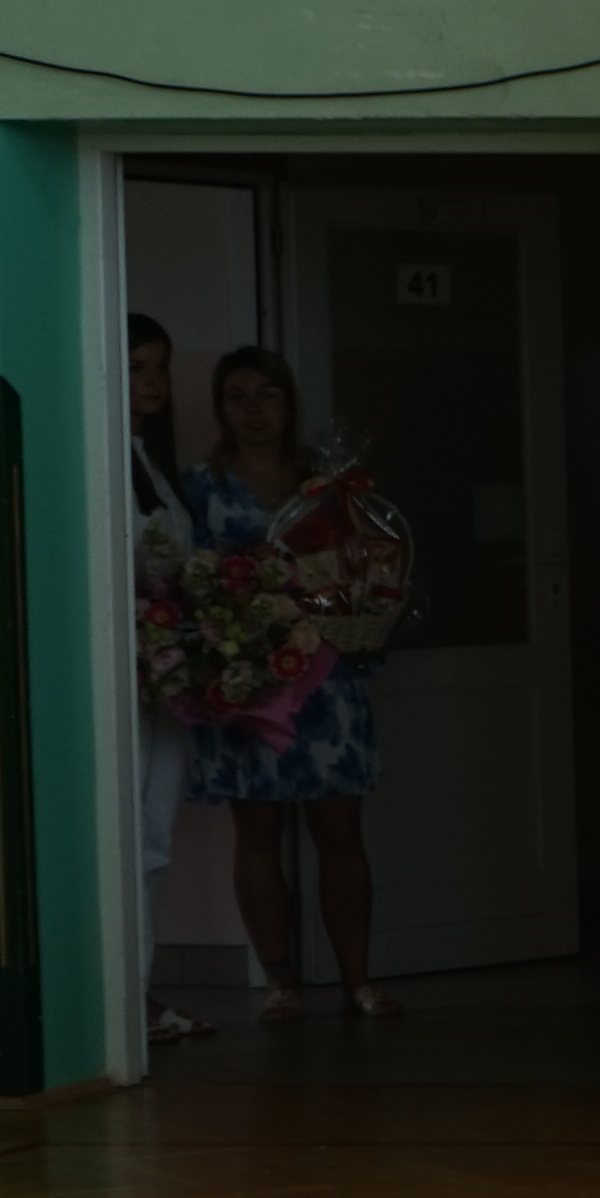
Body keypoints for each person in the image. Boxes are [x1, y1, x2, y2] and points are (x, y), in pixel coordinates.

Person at [174, 346, 411, 1020]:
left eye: (267, 393)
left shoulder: (329, 484)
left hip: (328, 685)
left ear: (290, 403)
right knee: (258, 834)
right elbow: (185, 579)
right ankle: (280, 984)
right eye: (237, 396)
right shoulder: (200, 487)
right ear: (221, 409)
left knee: (341, 833)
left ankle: (358, 982)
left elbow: (370, 568)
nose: (254, 410)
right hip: (248, 683)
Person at [120, 315, 204, 1047]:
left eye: (159, 367)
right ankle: (125, 999)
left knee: (156, 834)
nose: (151, 382)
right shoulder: (101, 457)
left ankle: (138, 991)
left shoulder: (154, 462)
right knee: (128, 832)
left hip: (167, 671)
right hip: (130, 668)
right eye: (135, 366)